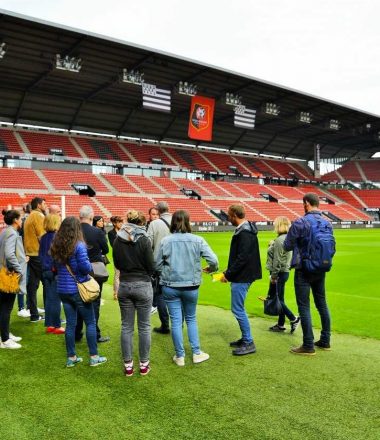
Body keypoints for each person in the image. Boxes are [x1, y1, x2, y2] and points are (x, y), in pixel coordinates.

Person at [156, 210, 218, 366]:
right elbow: (214, 261)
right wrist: (211, 269)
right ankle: (197, 353)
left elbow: (155, 264)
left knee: (176, 321)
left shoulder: (165, 241)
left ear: (173, 222)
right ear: (188, 222)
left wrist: (165, 273)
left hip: (170, 286)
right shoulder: (198, 239)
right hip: (191, 286)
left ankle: (180, 356)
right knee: (191, 318)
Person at [50, 216, 107, 367]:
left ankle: (72, 357)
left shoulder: (56, 244)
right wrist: (89, 267)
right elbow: (85, 268)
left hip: (63, 289)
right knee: (90, 322)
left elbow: (54, 267)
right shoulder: (79, 245)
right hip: (78, 288)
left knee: (70, 324)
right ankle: (94, 357)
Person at [284, 193, 333, 355]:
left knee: (304, 306)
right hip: (321, 267)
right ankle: (325, 340)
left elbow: (287, 245)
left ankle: (308, 344)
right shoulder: (327, 223)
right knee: (322, 304)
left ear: (306, 203)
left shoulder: (300, 222)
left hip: (304, 269)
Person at [113, 210, 155, 376]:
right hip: (143, 284)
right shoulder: (144, 239)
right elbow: (151, 266)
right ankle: (144, 364)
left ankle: (128, 366)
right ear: (140, 222)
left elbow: (117, 263)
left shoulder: (117, 239)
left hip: (125, 284)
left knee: (126, 327)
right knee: (144, 326)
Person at [220, 204, 262, 356]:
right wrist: (228, 271)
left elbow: (242, 258)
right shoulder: (246, 230)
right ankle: (245, 338)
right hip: (244, 274)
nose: (228, 218)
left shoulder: (244, 232)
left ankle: (249, 342)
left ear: (234, 215)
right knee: (238, 308)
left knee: (237, 309)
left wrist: (228, 274)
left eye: (229, 215)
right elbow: (241, 256)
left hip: (243, 276)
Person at [77, 206, 110, 343]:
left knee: (78, 301)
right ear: (91, 217)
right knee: (94, 301)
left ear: (80, 217)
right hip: (95, 270)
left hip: (77, 269)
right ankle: (95, 334)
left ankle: (76, 333)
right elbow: (106, 249)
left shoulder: (74, 231)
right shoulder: (97, 232)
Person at [266, 216, 300, 333]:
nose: (274, 226)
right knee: (280, 298)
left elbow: (277, 260)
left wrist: (273, 276)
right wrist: (272, 245)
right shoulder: (285, 239)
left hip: (279, 272)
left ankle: (293, 318)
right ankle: (281, 324)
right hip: (284, 271)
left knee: (279, 300)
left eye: (275, 224)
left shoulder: (280, 240)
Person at [0, 209, 27, 349]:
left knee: (4, 307)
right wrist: (19, 268)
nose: (22, 221)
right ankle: (5, 340)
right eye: (21, 218)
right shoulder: (11, 233)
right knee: (6, 307)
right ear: (16, 220)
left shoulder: (5, 231)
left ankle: (5, 334)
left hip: (3, 273)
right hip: (9, 275)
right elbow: (10, 254)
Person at [147, 201, 172, 334]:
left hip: (160, 265)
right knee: (177, 296)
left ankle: (165, 325)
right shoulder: (178, 220)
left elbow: (148, 244)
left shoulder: (154, 224)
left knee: (160, 295)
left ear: (159, 211)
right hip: (178, 265)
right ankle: (178, 325)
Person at [39, 214, 64, 335]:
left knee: (49, 299)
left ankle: (49, 324)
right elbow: (56, 257)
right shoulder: (57, 237)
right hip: (54, 271)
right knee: (55, 300)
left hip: (44, 270)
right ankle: (57, 325)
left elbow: (41, 255)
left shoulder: (43, 237)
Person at [23, 197, 47, 322]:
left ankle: (34, 314)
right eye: (44, 203)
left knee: (32, 285)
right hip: (38, 254)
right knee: (49, 282)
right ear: (38, 205)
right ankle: (51, 314)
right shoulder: (38, 216)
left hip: (31, 254)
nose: (46, 205)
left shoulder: (29, 216)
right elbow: (42, 236)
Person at [17, 202, 31, 317]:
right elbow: (21, 239)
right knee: (23, 281)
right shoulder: (25, 220)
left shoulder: (26, 220)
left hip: (27, 254)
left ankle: (27, 306)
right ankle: (21, 307)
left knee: (28, 281)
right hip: (24, 256)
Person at [108, 215, 123, 301]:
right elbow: (113, 244)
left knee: (124, 274)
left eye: (121, 222)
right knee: (117, 274)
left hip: (126, 255)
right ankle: (116, 293)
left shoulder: (124, 231)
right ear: (114, 223)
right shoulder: (111, 233)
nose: (121, 224)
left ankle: (123, 292)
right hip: (117, 255)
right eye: (119, 222)